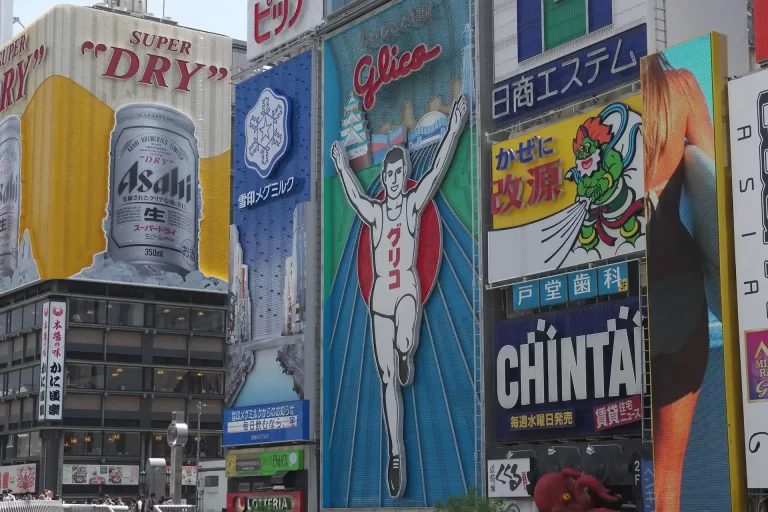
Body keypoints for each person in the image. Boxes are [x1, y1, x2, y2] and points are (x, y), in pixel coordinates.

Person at [330, 94, 468, 498]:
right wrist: (341, 165)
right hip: (378, 301)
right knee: (387, 379)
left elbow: (439, 168)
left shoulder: (411, 207)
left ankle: (408, 352)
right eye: (388, 175)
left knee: (406, 337)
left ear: (403, 174)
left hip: (406, 290)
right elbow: (355, 197)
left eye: (397, 173)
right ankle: (394, 452)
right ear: (385, 178)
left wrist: (455, 126)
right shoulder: (374, 214)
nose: (392, 180)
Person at [641, 51, 716, 512]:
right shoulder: (681, 87)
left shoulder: (601, 106)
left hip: (621, 300)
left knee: (613, 463)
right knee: (669, 479)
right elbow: (711, 179)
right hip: (682, 296)